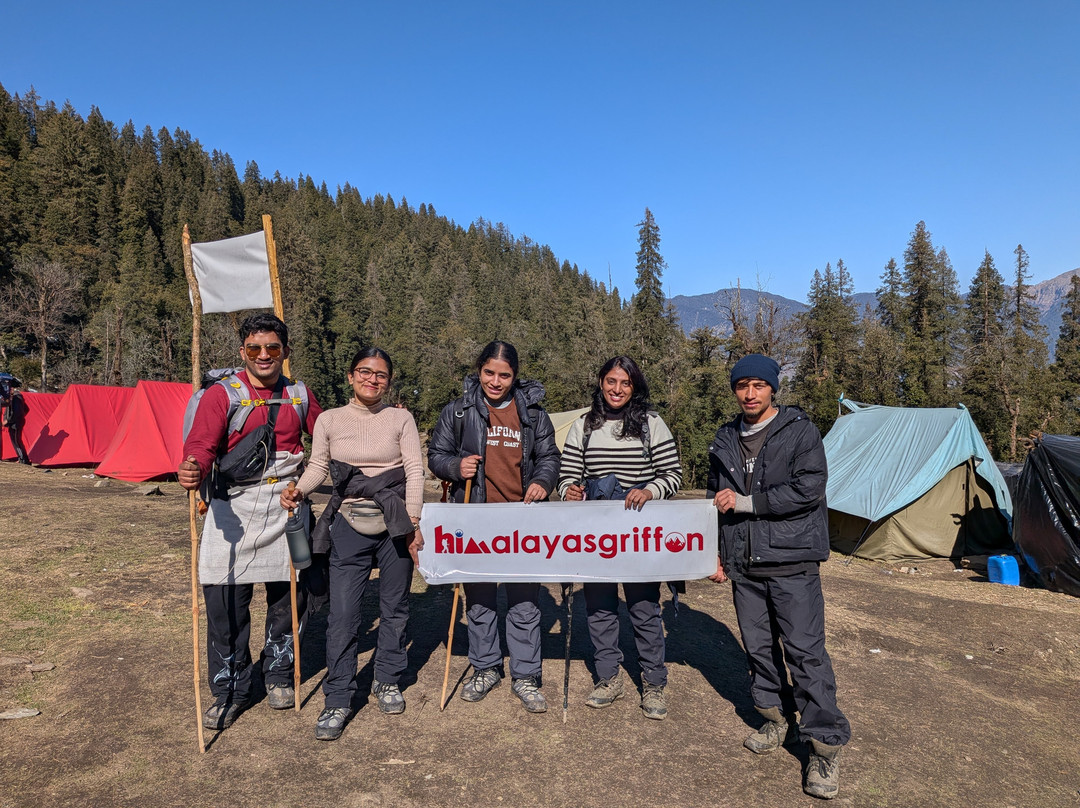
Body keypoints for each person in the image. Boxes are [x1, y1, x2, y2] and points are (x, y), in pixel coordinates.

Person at [707, 353, 850, 800]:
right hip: (744, 565)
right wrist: (713, 553)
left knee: (806, 654)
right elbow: (716, 499)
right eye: (741, 385)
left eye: (758, 385)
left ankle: (824, 748)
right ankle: (777, 721)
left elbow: (810, 488)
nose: (749, 394)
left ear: (772, 389)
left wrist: (749, 503)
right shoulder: (725, 437)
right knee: (760, 649)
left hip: (791, 562)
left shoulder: (799, 431)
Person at [179, 313, 322, 731]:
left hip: (287, 505)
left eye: (273, 348)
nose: (264, 356)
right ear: (243, 352)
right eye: (255, 349)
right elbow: (201, 445)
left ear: (285, 352)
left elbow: (329, 436)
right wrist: (191, 467)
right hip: (232, 507)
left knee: (287, 599)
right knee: (226, 604)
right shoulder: (222, 395)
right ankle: (230, 689)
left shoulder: (300, 395)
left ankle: (278, 674)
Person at [281, 347, 424, 741]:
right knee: (343, 614)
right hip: (347, 520)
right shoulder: (329, 419)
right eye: (365, 372)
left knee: (395, 607)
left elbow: (414, 468)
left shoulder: (401, 418)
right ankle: (339, 696)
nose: (372, 380)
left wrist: (412, 521)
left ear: (388, 381)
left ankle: (387, 679)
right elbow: (319, 466)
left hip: (395, 520)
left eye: (380, 375)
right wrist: (298, 489)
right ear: (350, 376)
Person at [428, 341, 560, 713]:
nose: (496, 381)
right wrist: (456, 467)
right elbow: (436, 455)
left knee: (524, 603)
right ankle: (485, 667)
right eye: (489, 373)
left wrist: (543, 481)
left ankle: (525, 675)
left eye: (504, 375)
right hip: (476, 519)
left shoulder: (533, 413)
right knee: (481, 600)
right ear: (479, 370)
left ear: (515, 376)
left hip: (522, 520)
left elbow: (549, 456)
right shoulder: (458, 411)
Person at [557, 356, 683, 720]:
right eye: (611, 381)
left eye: (625, 383)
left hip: (638, 532)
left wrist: (650, 491)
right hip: (596, 532)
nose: (617, 389)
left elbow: (672, 474)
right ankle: (608, 677)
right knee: (599, 607)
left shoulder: (651, 423)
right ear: (600, 382)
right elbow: (567, 475)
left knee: (644, 608)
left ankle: (654, 682)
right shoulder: (583, 426)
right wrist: (570, 490)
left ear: (634, 386)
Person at [0, 372, 30, 464]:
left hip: (15, 423)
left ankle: (23, 459)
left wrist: (8, 420)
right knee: (16, 441)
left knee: (16, 441)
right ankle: (22, 458)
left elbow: (15, 411)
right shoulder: (15, 397)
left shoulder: (16, 398)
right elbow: (26, 409)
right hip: (16, 422)